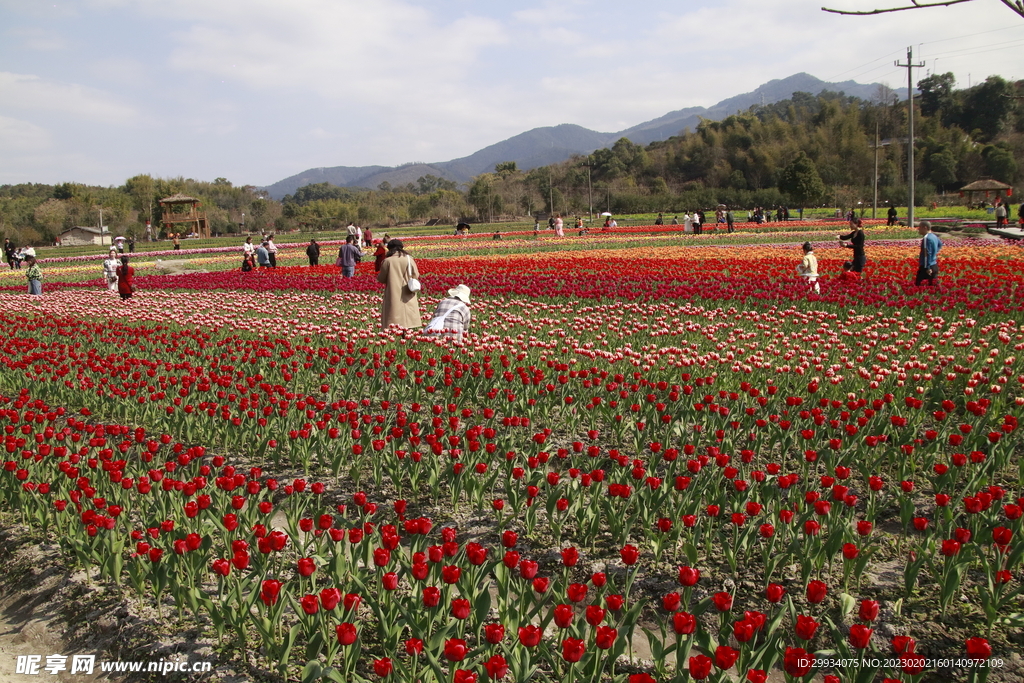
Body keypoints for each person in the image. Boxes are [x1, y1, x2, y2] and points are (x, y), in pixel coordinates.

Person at [376, 239, 421, 330]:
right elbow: (416, 275)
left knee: (393, 316)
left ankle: (394, 334)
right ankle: (406, 335)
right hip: (408, 291)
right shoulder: (409, 259)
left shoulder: (387, 261)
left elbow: (381, 278)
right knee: (407, 316)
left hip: (393, 292)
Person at [915, 221, 941, 286]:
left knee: (918, 285)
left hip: (926, 266)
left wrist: (928, 267)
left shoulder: (927, 238)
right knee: (934, 285)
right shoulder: (934, 236)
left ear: (925, 228)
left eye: (920, 227)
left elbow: (927, 254)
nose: (918, 229)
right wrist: (934, 253)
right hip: (934, 264)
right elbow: (940, 244)